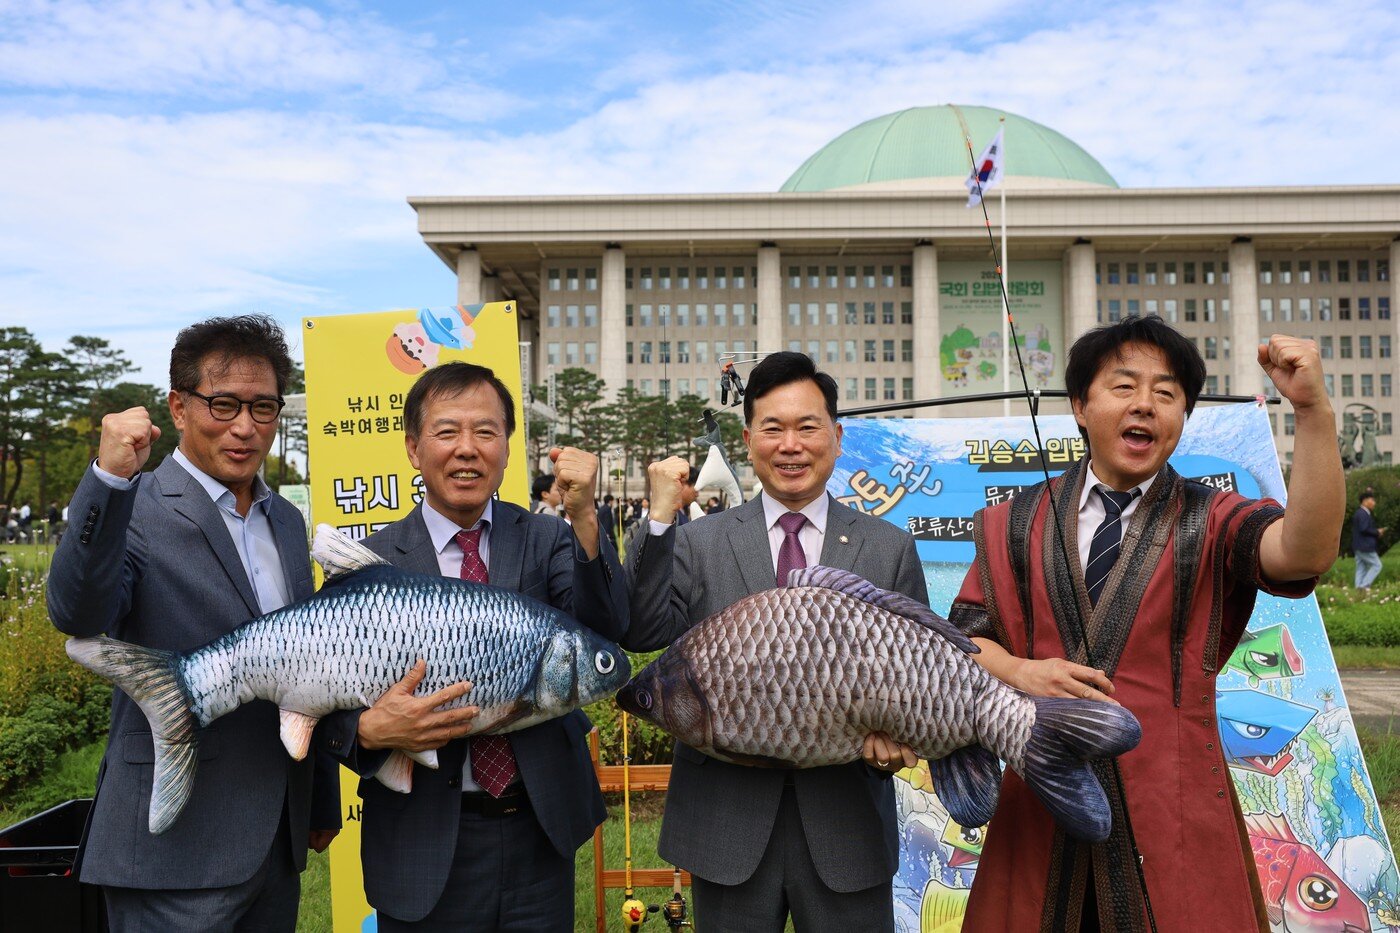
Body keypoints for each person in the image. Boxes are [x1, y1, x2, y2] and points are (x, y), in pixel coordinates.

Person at [949, 317, 1343, 932]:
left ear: (1183, 415)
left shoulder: (1216, 518)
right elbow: (961, 645)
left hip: (1174, 807)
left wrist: (1313, 411)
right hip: (1038, 804)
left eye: (1166, 393)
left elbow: (1303, 554)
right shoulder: (1010, 523)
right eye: (1123, 386)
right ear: (1080, 406)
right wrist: (1021, 671)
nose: (1145, 405)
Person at [47, 314, 341, 931]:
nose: (244, 427)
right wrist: (107, 481)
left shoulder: (286, 522)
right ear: (179, 408)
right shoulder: (137, 504)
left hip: (275, 844)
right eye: (224, 404)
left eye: (263, 408)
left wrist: (318, 799)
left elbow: (310, 662)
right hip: (169, 850)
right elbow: (76, 613)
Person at [317, 361, 628, 931]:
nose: (467, 449)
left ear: (507, 447)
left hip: (539, 832)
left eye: (485, 432)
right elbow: (319, 691)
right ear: (413, 448)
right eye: (446, 432)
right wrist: (365, 732)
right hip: (419, 842)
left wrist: (584, 514)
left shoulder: (547, 536)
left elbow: (606, 626)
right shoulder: (373, 561)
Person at [625, 351, 927, 932]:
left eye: (807, 427)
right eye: (773, 428)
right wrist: (661, 516)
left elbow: (915, 679)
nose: (791, 445)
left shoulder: (887, 548)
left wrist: (900, 742)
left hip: (848, 828)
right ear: (747, 440)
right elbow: (643, 632)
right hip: (725, 827)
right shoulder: (699, 544)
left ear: (836, 437)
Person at [1353, 491, 1386, 588]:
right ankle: (1364, 586)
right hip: (1365, 546)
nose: (1374, 503)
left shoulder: (1359, 513)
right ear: (1365, 501)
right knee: (1377, 565)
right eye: (1372, 500)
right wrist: (1377, 532)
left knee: (1361, 568)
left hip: (1358, 546)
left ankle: (1358, 588)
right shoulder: (1363, 513)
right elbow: (1364, 529)